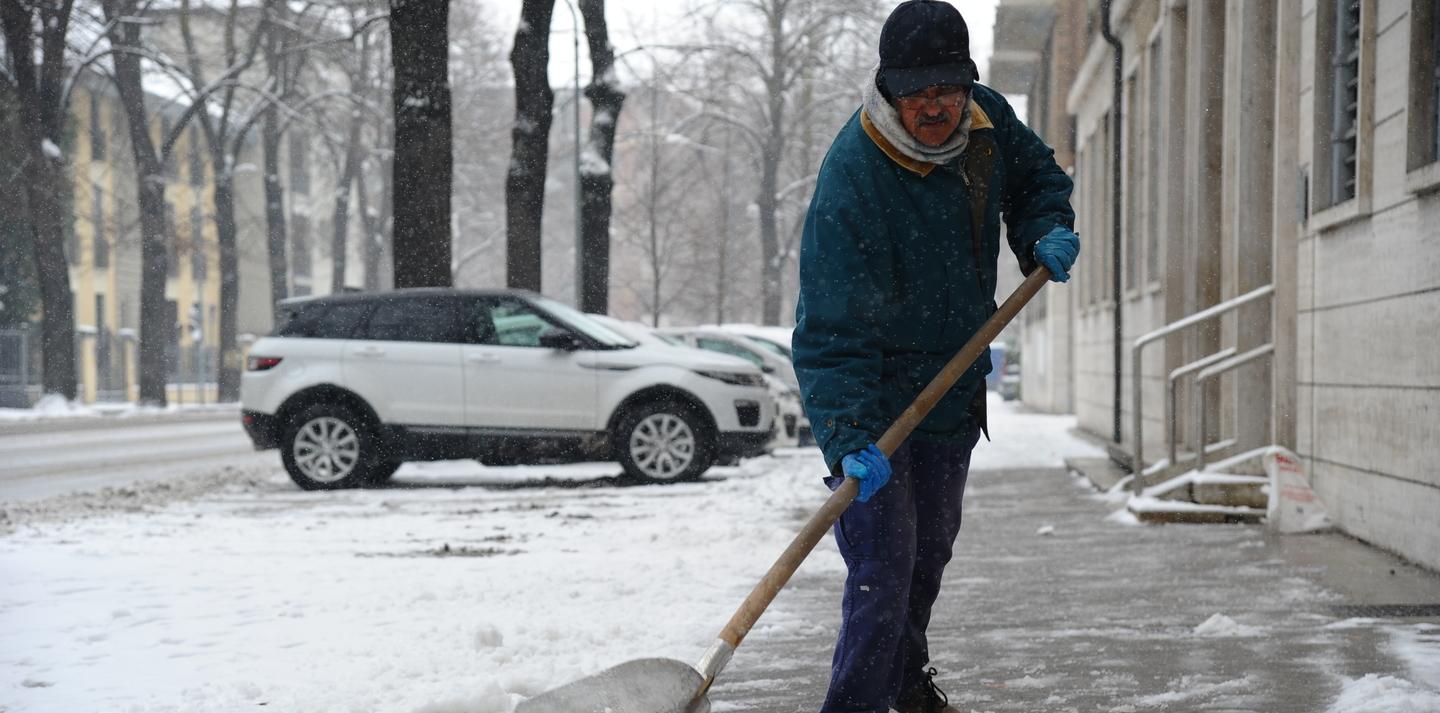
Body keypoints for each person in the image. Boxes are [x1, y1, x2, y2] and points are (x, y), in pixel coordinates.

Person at [791, 1, 1079, 711]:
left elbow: (1037, 180)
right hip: (880, 403)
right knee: (881, 575)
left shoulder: (985, 124)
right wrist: (850, 436)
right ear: (889, 88)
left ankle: (905, 687)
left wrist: (1043, 228)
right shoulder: (853, 176)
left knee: (925, 561)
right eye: (918, 91)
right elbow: (831, 328)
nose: (935, 106)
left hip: (952, 394)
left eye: (947, 87)